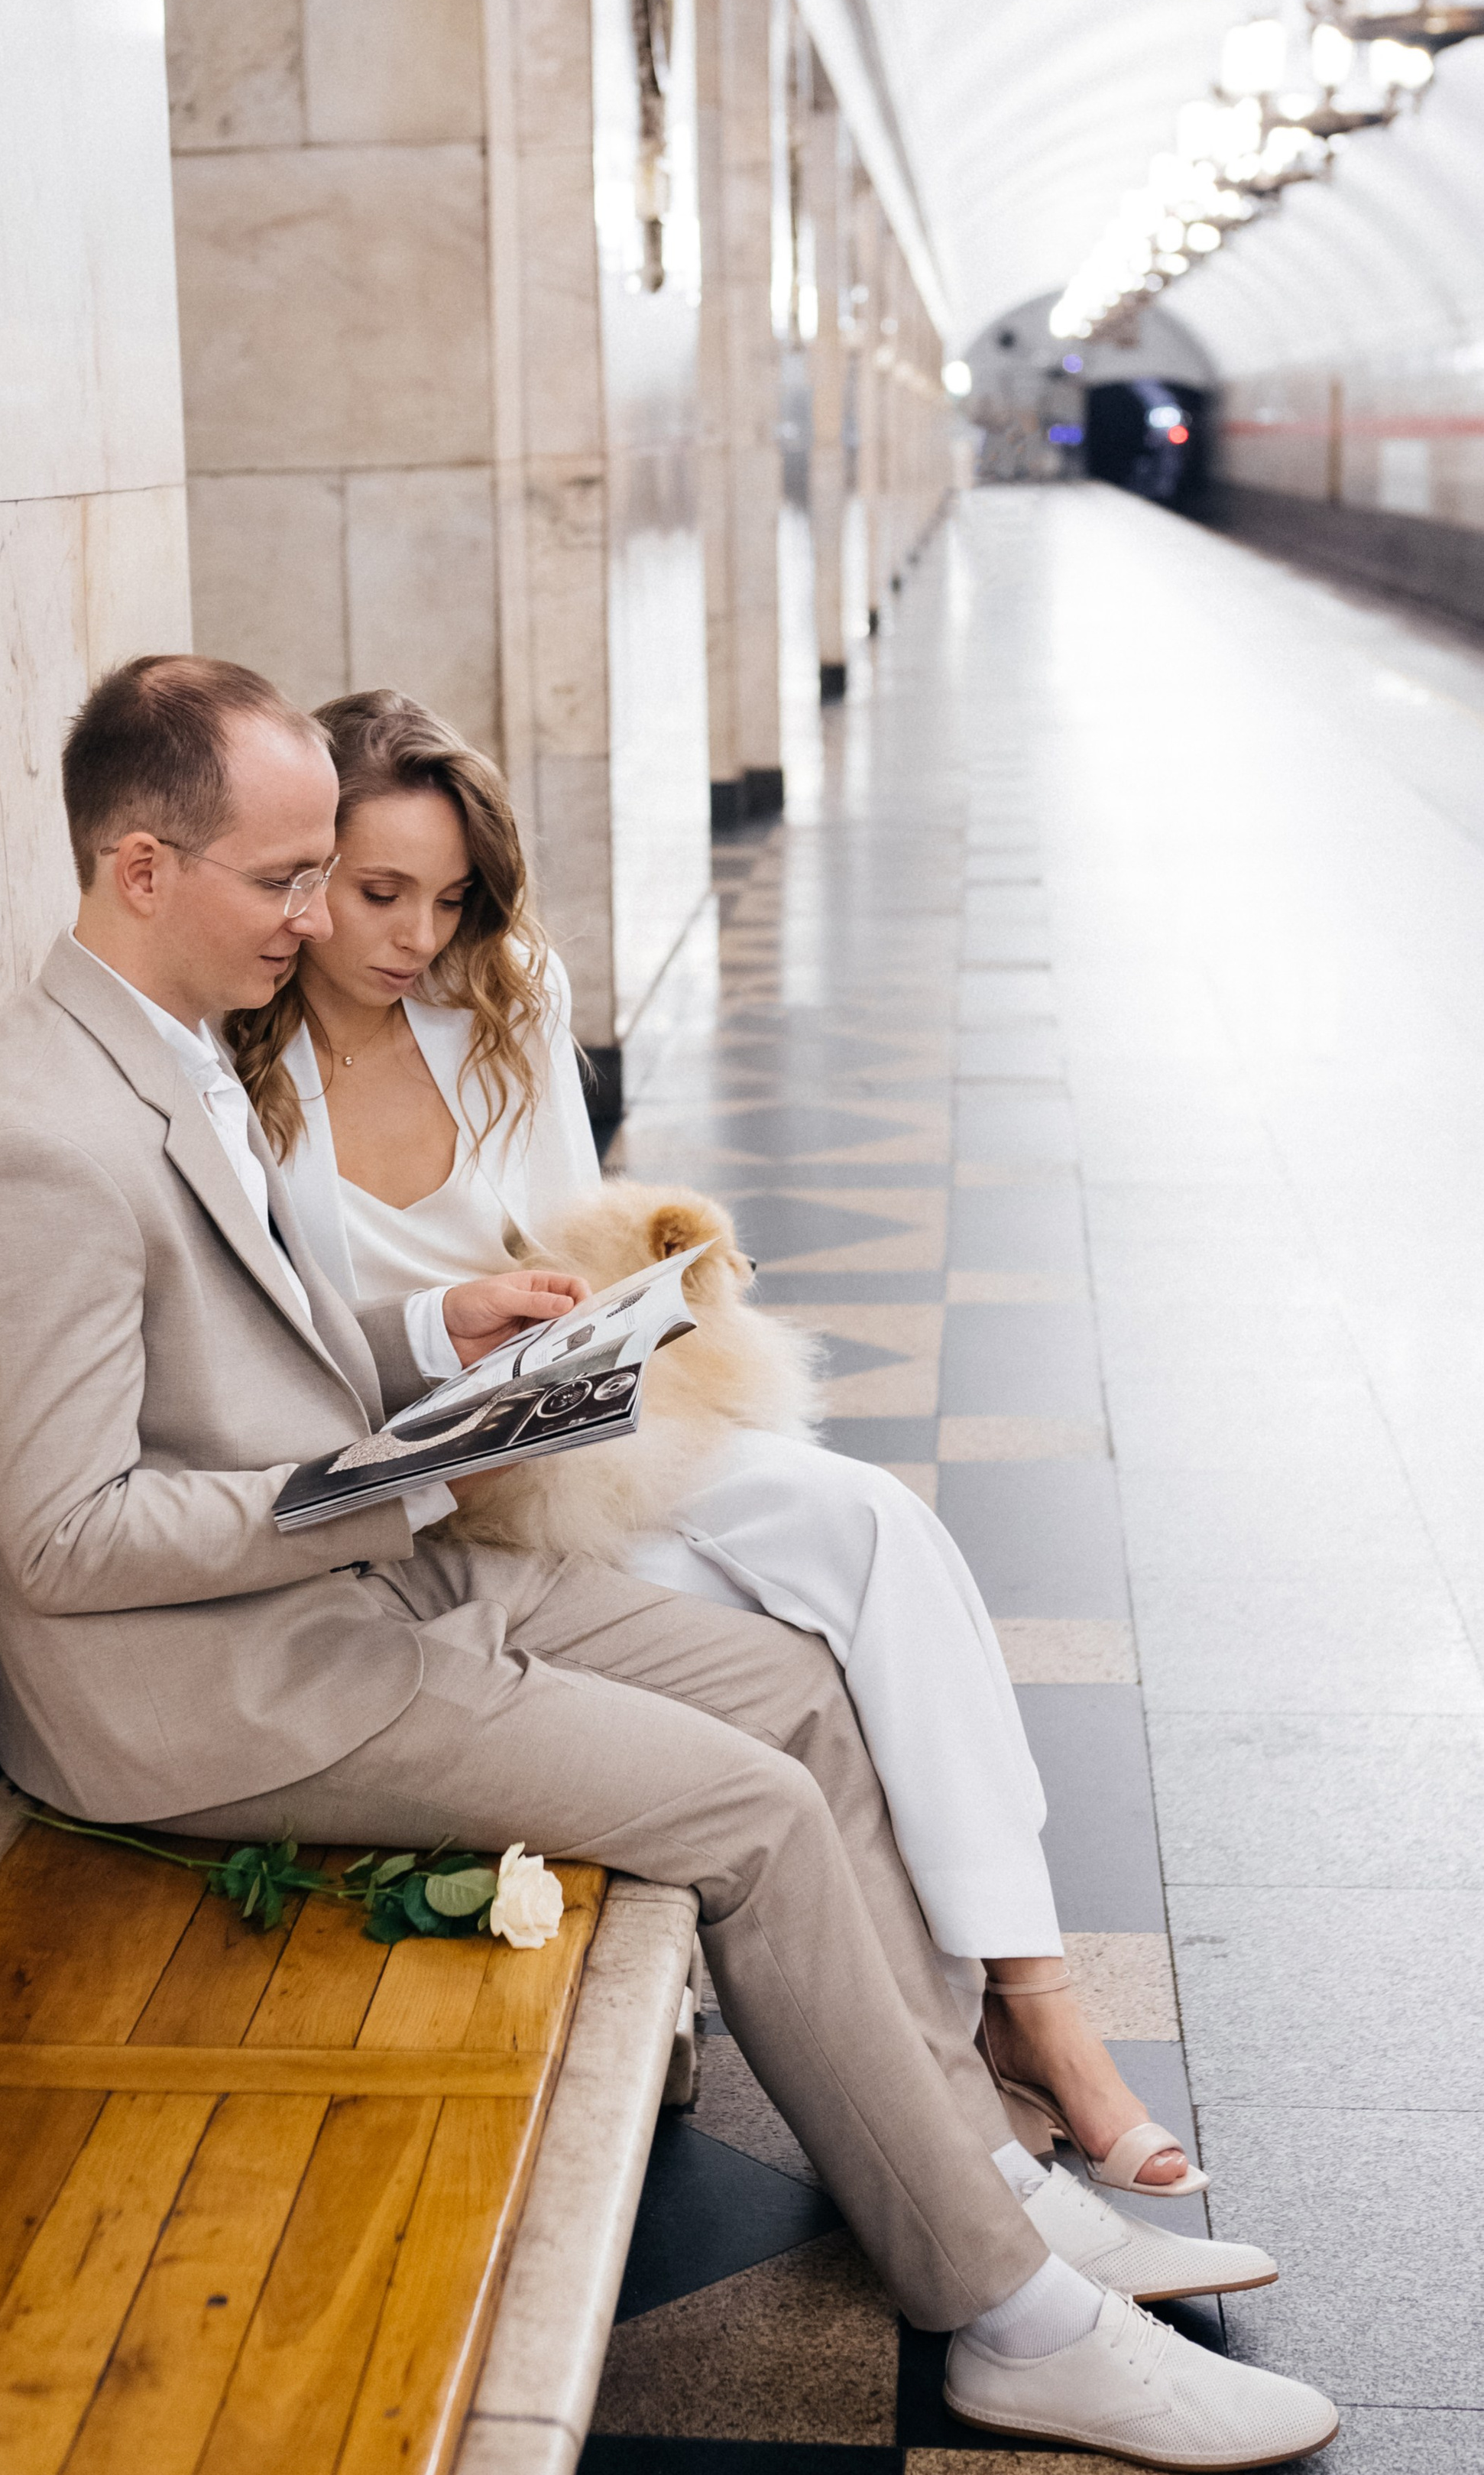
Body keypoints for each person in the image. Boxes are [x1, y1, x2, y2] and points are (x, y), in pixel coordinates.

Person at [0, 651, 1335, 2472]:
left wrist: (444, 1343)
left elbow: (257, 1324)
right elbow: (64, 1537)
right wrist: (392, 1482)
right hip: (222, 1693)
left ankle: (983, 2173)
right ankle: (1009, 2319)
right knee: (742, 1812)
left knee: (797, 1695)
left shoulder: (165, 1048)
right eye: (284, 880)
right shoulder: (30, 1141)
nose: (309, 914)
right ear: (138, 867)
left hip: (361, 1579)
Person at [228, 689, 1194, 2198]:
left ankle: (1035, 2010)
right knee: (795, 1660)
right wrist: (449, 1337)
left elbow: (570, 1233)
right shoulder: (240, 1083)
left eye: (450, 895)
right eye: (377, 893)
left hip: (589, 1441)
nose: (417, 934)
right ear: (303, 875)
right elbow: (275, 1361)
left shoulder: (504, 1002)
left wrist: (615, 1306)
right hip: (431, 1501)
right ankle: (958, 2106)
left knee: (869, 1528)